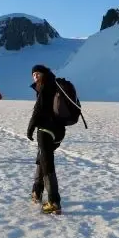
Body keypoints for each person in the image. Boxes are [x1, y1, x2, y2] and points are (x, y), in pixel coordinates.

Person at [27, 64, 67, 214]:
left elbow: (38, 110)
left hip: (45, 130)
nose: (35, 77)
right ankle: (36, 191)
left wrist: (30, 128)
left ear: (44, 74)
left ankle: (54, 201)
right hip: (59, 131)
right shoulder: (56, 84)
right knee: (43, 158)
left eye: (37, 74)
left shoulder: (45, 86)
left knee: (47, 164)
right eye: (33, 75)